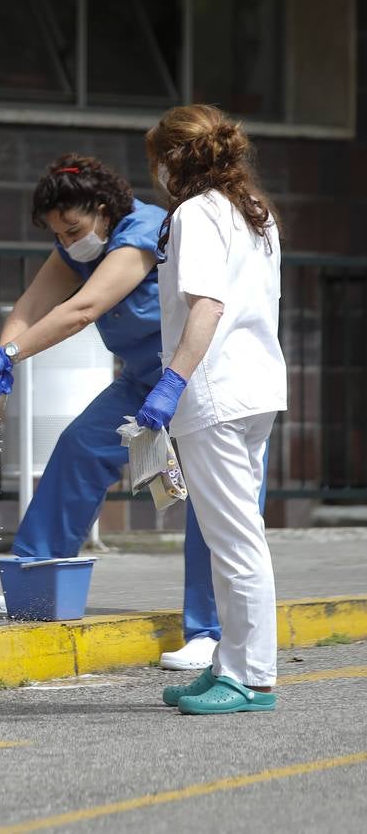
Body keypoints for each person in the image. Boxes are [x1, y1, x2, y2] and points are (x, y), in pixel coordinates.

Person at [0, 153, 262, 670]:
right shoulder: (77, 247)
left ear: (102, 208)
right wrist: (5, 353)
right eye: (57, 234)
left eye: (73, 227)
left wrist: (10, 355)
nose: (68, 240)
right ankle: (39, 580)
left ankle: (209, 632)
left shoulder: (144, 230)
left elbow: (83, 309)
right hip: (144, 381)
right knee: (81, 443)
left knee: (213, 501)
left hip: (198, 378)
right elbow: (30, 308)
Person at [139, 105, 286, 714]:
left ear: (174, 161)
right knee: (231, 533)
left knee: (233, 539)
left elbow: (207, 306)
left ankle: (251, 677)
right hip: (254, 387)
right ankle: (231, 662)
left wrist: (172, 382)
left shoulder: (196, 214)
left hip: (214, 392)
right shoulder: (255, 210)